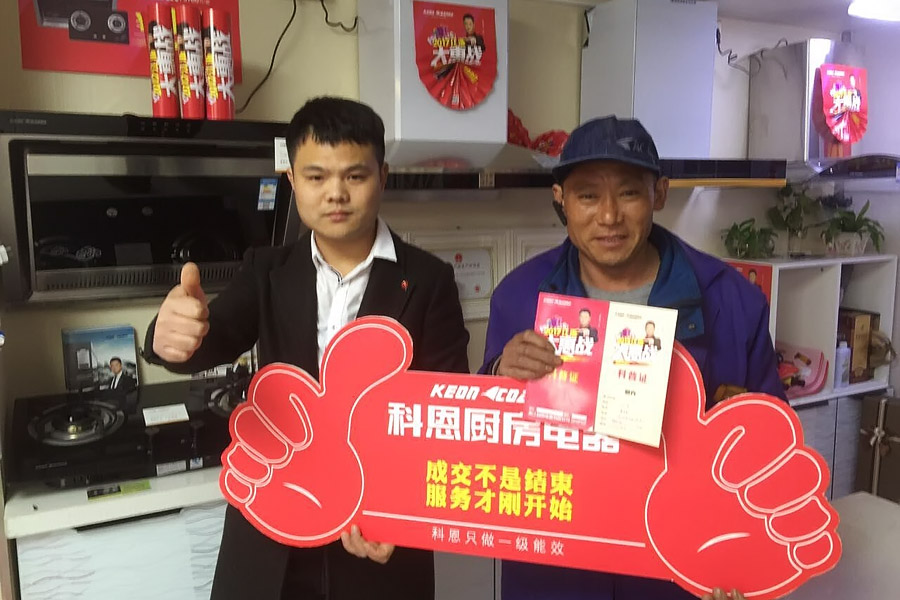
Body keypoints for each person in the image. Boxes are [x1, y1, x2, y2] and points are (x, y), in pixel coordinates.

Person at [142, 97, 470, 600]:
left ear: (382, 176)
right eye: (316, 177)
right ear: (292, 180)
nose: (336, 193)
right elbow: (211, 339)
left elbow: (445, 414)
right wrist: (166, 338)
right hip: (271, 534)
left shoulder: (428, 280)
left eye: (355, 176)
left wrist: (402, 518)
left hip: (372, 536)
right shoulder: (266, 270)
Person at [480, 115, 784, 600]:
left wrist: (744, 429)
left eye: (628, 193)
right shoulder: (519, 297)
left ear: (659, 194)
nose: (608, 216)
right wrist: (499, 374)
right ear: (560, 199)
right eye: (587, 196)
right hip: (557, 568)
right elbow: (483, 439)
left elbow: (774, 451)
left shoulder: (730, 300)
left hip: (679, 569)